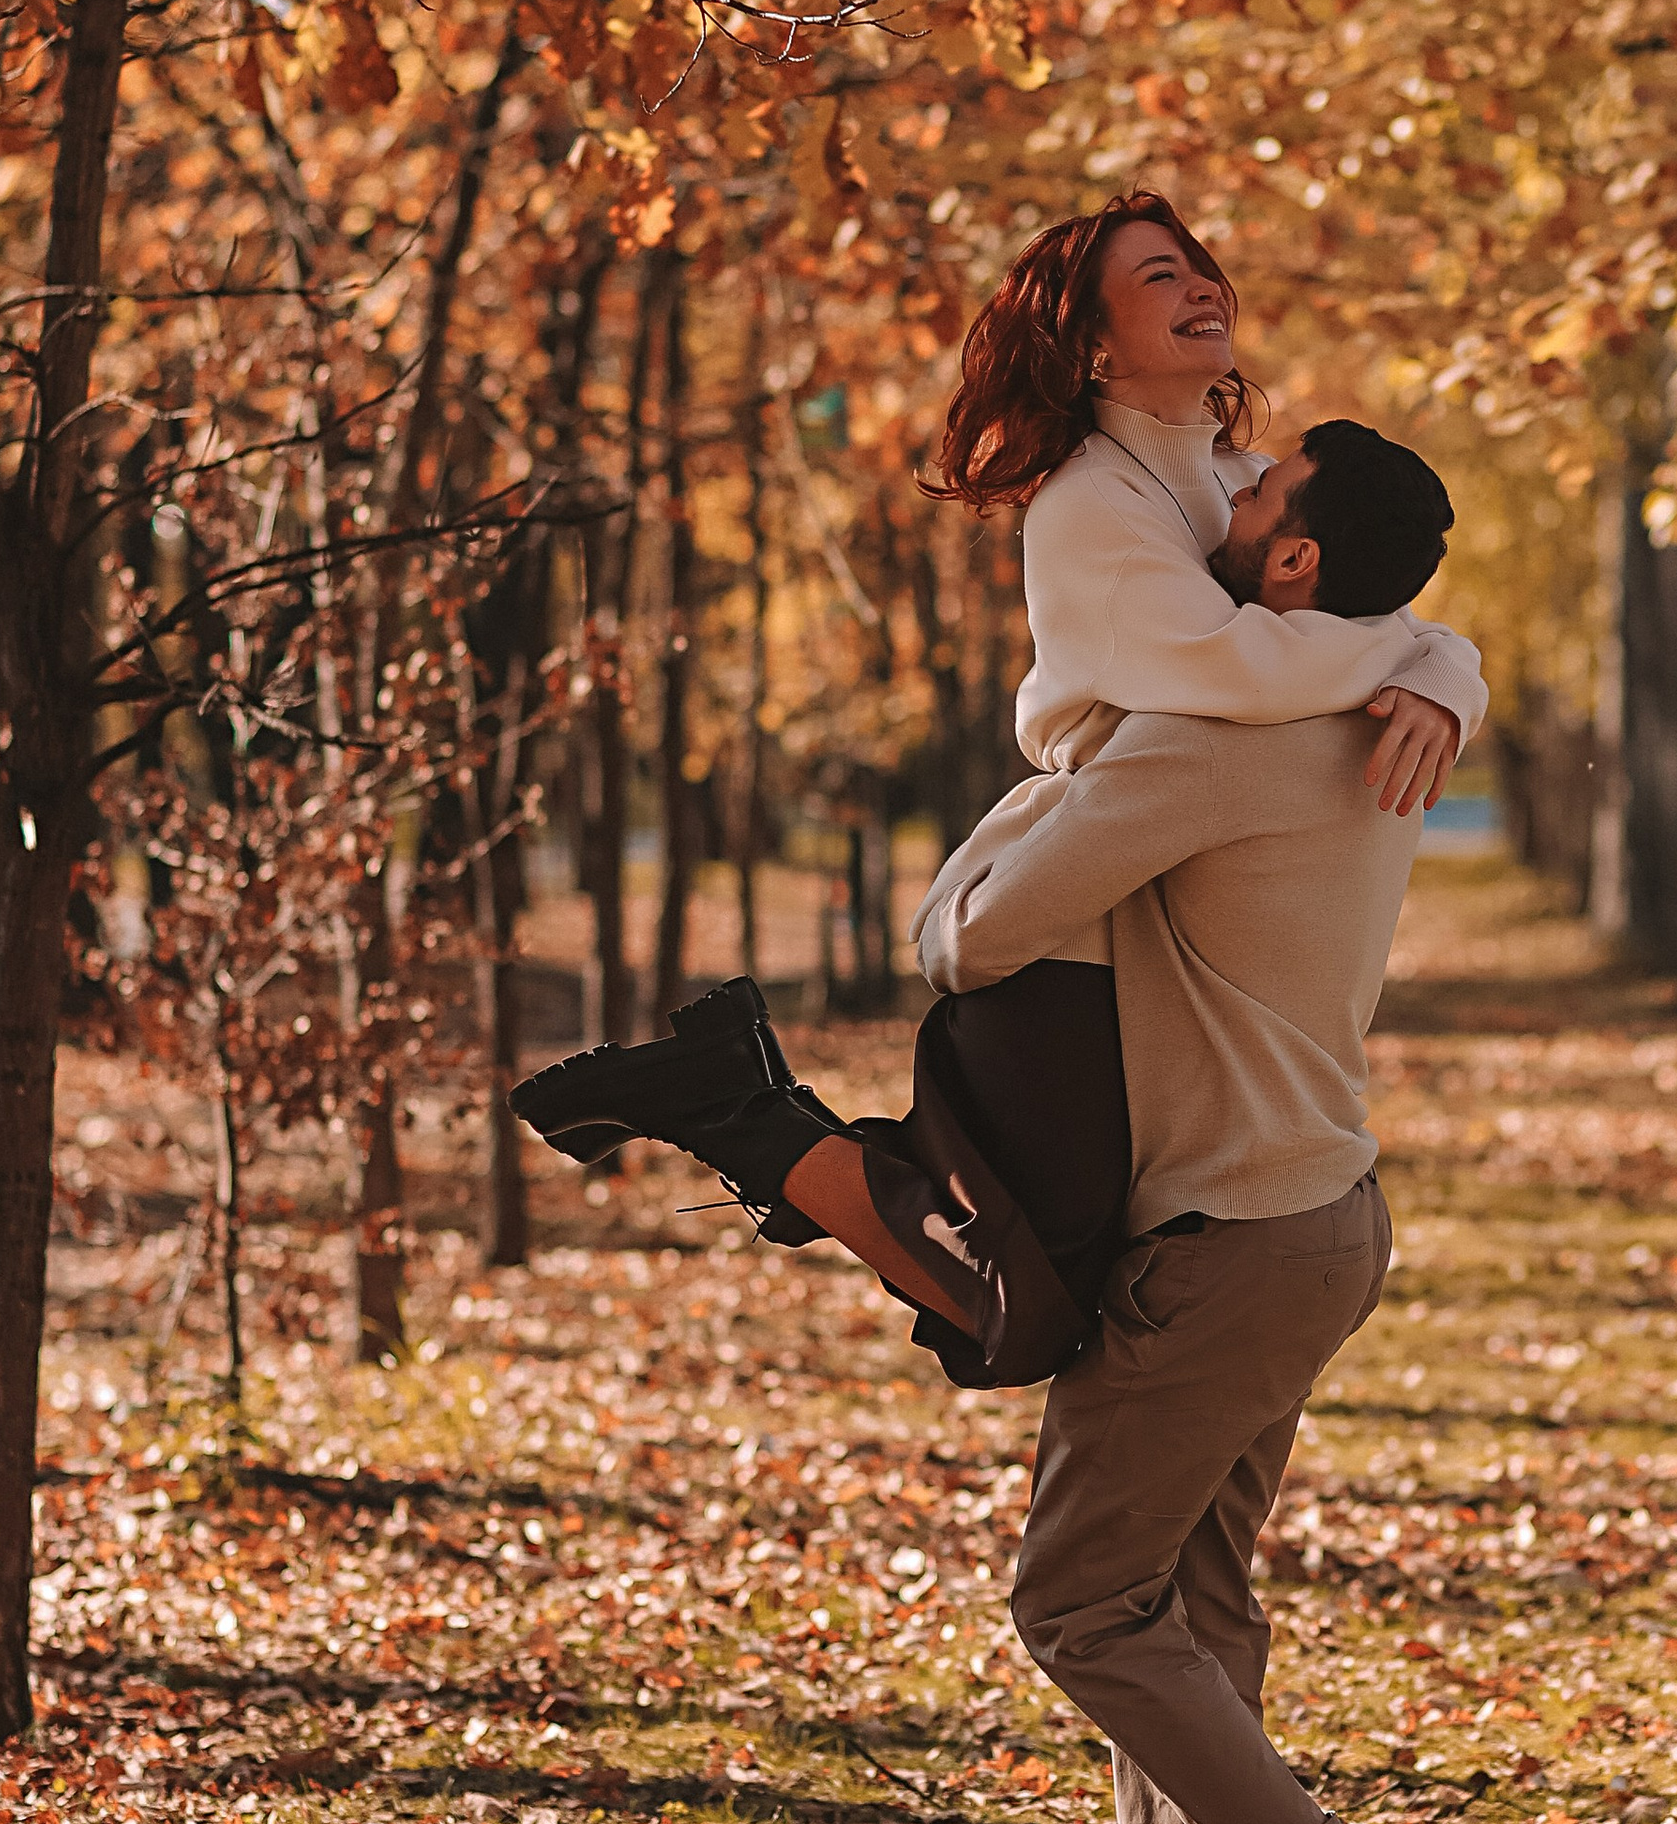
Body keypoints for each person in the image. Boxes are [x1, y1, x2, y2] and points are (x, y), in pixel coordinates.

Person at [512, 196, 1484, 1382]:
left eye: (1202, 270)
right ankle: (740, 1112)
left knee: (1028, 1260)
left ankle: (742, 1097)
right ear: (1091, 347)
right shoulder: (1092, 503)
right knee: (1017, 1298)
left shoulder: (1237, 478)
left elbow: (1356, 601)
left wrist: (1442, 664)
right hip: (1073, 923)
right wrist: (1423, 659)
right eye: (1161, 278)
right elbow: (1235, 671)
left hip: (1148, 917)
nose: (1204, 292)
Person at [913, 452, 1461, 1824]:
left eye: (1254, 490)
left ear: (1290, 565)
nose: (1220, 493)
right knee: (1190, 1604)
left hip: (1220, 1243)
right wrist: (1447, 660)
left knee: (1079, 1599)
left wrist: (1045, 791)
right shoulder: (1371, 708)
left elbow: (971, 936)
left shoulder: (1204, 742)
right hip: (1320, 1222)